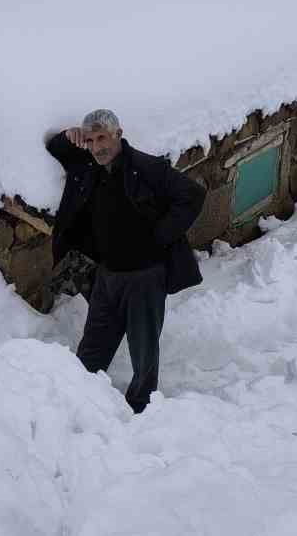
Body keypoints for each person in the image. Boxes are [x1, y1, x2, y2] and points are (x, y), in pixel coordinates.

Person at [45, 109, 206, 412]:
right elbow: (56, 148)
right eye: (90, 140)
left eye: (102, 138)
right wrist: (69, 136)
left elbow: (192, 194)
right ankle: (80, 397)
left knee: (143, 348)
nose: (96, 147)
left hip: (145, 276)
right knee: (93, 343)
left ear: (118, 134)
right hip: (107, 274)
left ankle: (141, 407)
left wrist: (160, 236)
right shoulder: (88, 165)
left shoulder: (145, 167)